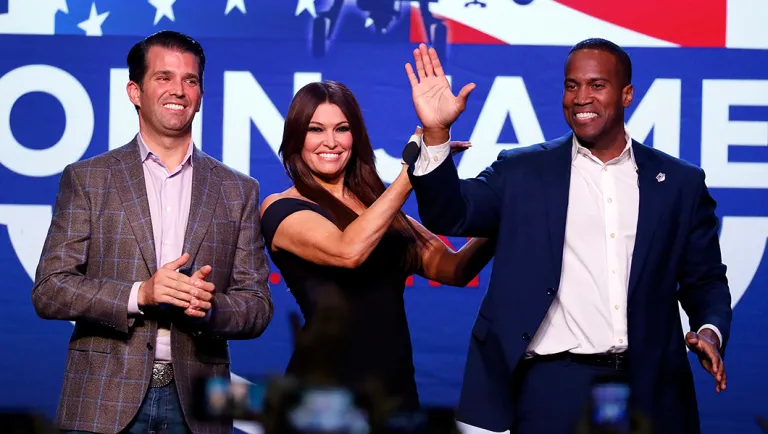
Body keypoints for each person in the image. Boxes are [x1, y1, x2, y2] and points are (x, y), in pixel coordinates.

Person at [402, 40, 732, 434]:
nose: (581, 98)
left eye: (596, 85)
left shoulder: (680, 183)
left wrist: (709, 329)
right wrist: (437, 134)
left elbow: (705, 279)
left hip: (650, 385)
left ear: (626, 94)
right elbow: (450, 214)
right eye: (571, 85)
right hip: (552, 383)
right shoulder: (523, 170)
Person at [31, 30, 274, 434]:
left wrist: (210, 308)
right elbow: (50, 289)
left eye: (190, 80)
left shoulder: (238, 190)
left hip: (200, 406)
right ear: (134, 91)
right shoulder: (89, 178)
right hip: (100, 402)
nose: (178, 90)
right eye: (164, 77)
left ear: (199, 94)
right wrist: (139, 294)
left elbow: (257, 306)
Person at [259, 80, 496, 412]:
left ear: (355, 136)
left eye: (341, 129)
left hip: (394, 391)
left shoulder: (376, 207)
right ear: (297, 137)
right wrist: (413, 171)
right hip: (326, 395)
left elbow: (453, 268)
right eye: (316, 129)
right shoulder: (280, 208)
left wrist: (503, 217)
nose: (330, 141)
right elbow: (348, 251)